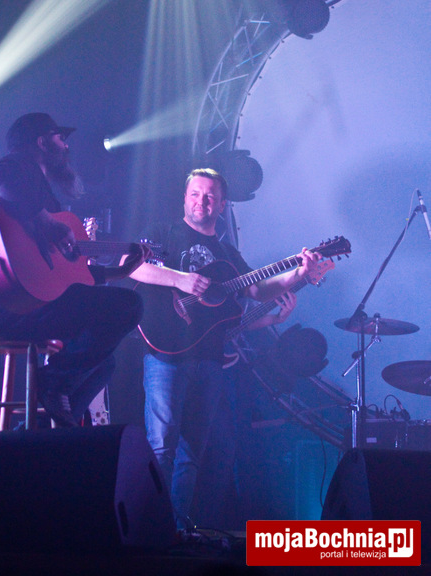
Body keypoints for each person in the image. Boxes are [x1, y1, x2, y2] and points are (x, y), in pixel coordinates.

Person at [127, 167, 320, 529]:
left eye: (210, 196)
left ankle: (176, 531)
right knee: (161, 446)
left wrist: (299, 273)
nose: (202, 201)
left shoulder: (228, 254)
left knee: (191, 454)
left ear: (222, 205)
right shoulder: (163, 234)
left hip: (210, 358)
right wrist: (181, 279)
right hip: (165, 352)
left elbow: (258, 290)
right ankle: (148, 530)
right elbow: (132, 267)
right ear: (185, 198)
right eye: (195, 194)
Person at [0, 112, 148, 428]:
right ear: (42, 142)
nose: (66, 146)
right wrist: (46, 221)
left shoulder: (46, 197)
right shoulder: (14, 169)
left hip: (38, 304)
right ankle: (52, 382)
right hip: (9, 308)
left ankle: (36, 434)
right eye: (60, 138)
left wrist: (118, 274)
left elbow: (67, 276)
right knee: (128, 306)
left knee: (104, 364)